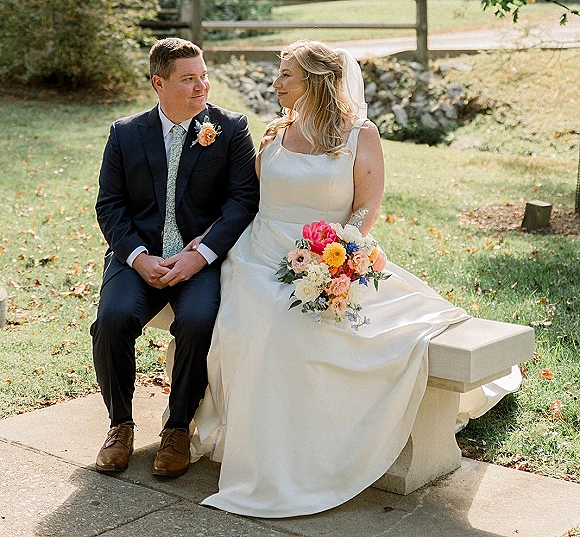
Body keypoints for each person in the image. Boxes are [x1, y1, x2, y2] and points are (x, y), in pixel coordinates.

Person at [191, 40, 518, 518]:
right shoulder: (274, 131)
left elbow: (367, 204)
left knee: (319, 329)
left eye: (286, 75)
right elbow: (251, 201)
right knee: (262, 320)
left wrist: (340, 254)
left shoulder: (359, 135)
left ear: (317, 82)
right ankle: (262, 445)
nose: (276, 83)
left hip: (330, 251)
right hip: (258, 256)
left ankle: (307, 453)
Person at [91, 37, 259, 478]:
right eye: (188, 79)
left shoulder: (231, 128)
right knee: (112, 319)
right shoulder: (125, 133)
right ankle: (120, 425)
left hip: (197, 259)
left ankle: (178, 429)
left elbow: (242, 202)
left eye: (204, 75)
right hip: (139, 257)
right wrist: (138, 258)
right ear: (158, 83)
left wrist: (200, 256)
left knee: (199, 321)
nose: (202, 86)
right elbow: (110, 206)